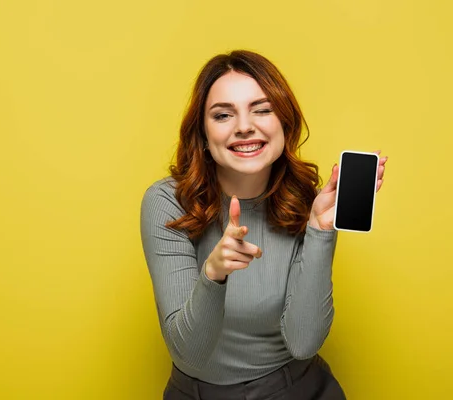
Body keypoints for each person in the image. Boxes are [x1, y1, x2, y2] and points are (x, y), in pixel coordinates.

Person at [139, 50, 387, 400]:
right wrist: (214, 273)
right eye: (223, 115)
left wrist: (320, 230)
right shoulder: (168, 203)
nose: (244, 126)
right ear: (203, 135)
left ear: (284, 124)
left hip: (298, 389)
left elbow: (303, 342)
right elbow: (189, 354)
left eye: (262, 109)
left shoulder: (305, 202)